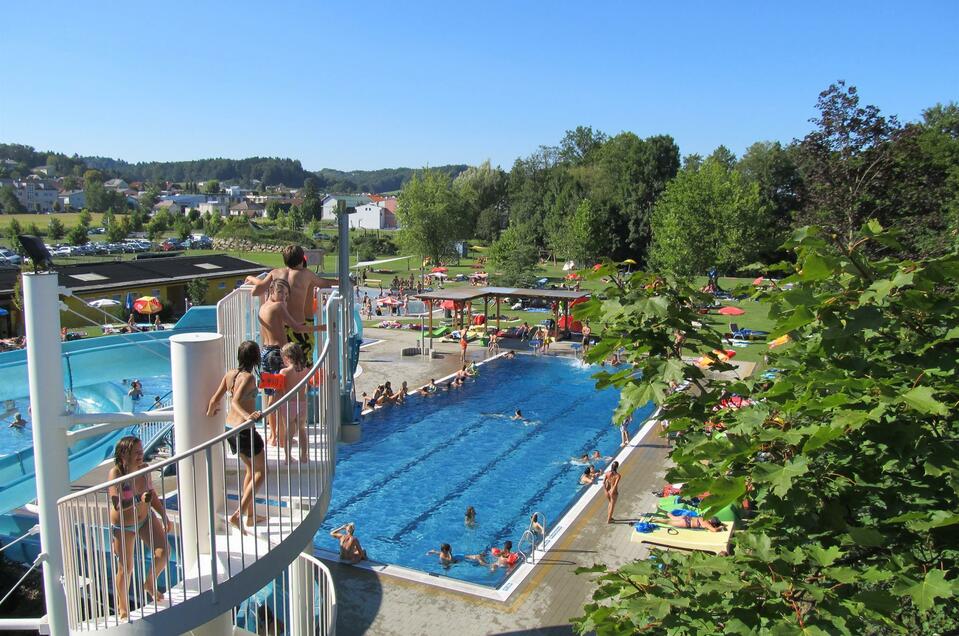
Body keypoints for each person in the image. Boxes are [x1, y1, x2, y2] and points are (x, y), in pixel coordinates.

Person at [108, 436, 170, 620]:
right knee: (126, 568)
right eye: (136, 453)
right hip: (123, 525)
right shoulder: (116, 473)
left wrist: (163, 514)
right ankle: (122, 606)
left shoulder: (144, 470)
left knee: (164, 553)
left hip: (145, 519)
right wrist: (137, 499)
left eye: (141, 452)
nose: (140, 456)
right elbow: (116, 503)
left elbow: (151, 494)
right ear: (123, 454)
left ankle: (150, 582)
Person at [207, 341, 266, 533]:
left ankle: (249, 516)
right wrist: (248, 415)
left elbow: (215, 399)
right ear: (256, 357)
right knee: (261, 472)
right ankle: (238, 514)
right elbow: (236, 401)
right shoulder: (249, 378)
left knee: (250, 469)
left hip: (229, 428)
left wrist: (209, 414)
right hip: (243, 429)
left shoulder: (230, 374)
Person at [258, 279, 323, 444]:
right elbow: (297, 327)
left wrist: (252, 280)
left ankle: (273, 436)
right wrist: (321, 328)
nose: (283, 298)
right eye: (280, 293)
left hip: (265, 353)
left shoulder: (263, 306)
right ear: (271, 291)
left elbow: (260, 285)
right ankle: (280, 438)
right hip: (277, 354)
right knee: (279, 397)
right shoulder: (279, 307)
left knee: (270, 396)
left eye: (286, 295)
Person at [245, 244, 335, 360]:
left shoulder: (275, 273)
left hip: (280, 328)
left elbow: (257, 290)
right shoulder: (305, 274)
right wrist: (343, 282)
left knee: (284, 363)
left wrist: (251, 278)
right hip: (299, 326)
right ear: (301, 259)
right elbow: (325, 283)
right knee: (303, 363)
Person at [277, 343, 310, 463]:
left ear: (287, 357)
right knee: (302, 429)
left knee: (288, 432)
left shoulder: (284, 372)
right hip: (301, 403)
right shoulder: (306, 371)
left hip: (288, 404)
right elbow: (308, 387)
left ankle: (288, 457)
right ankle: (304, 456)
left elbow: (280, 390)